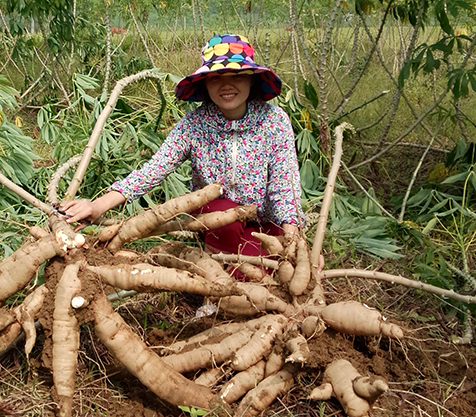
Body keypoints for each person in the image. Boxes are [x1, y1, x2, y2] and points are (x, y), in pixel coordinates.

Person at [61, 33, 311, 266]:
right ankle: (235, 275)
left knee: (287, 256)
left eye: (236, 75)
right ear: (205, 83)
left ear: (252, 79)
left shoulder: (274, 121)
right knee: (223, 217)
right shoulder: (194, 125)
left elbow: (284, 186)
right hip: (217, 220)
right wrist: (98, 206)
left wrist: (294, 239)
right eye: (216, 78)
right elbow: (154, 170)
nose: (226, 86)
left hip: (264, 219)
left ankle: (258, 267)